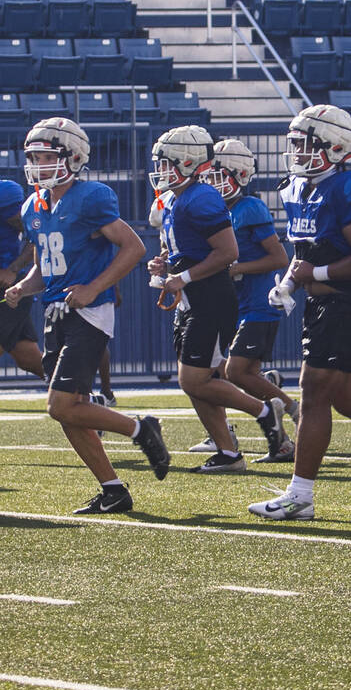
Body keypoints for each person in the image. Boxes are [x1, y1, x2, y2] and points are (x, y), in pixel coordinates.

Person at [249, 104, 351, 520]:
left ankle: (300, 495)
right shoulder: (297, 188)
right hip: (324, 303)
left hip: (347, 304)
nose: (297, 152)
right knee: (350, 398)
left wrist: (314, 273)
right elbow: (303, 253)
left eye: (306, 144)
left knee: (314, 392)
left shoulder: (349, 187)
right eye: (295, 144)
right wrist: (287, 284)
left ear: (336, 147)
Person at [7, 117, 168, 513]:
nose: (37, 164)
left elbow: (133, 248)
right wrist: (23, 287)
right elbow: (46, 265)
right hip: (54, 311)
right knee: (71, 411)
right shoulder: (33, 205)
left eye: (45, 156)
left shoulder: (91, 196)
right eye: (33, 157)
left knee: (59, 405)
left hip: (90, 312)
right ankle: (113, 488)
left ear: (73, 157)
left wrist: (95, 287)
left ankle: (139, 428)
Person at [147, 126, 290, 474]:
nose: (161, 169)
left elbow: (228, 252)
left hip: (209, 299)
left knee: (193, 380)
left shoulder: (201, 196)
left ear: (188, 161)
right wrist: (166, 263)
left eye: (167, 162)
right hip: (191, 300)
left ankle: (264, 410)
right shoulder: (176, 198)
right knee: (196, 384)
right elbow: (185, 248)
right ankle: (228, 453)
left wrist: (183, 276)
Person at [201, 139, 298, 453]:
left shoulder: (249, 207)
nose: (211, 184)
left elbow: (279, 258)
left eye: (218, 176)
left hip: (258, 304)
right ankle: (281, 441)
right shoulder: (216, 212)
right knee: (227, 370)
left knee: (236, 371)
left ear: (239, 175)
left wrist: (233, 268)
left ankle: (290, 408)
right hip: (236, 305)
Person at [0, 174, 45, 381]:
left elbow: (36, 236)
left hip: (8, 286)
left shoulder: (6, 193)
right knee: (27, 356)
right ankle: (75, 389)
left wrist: (12, 268)